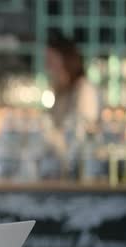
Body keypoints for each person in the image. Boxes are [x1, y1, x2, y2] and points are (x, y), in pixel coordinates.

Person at [45, 31, 102, 176]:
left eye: (51, 60)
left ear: (65, 60)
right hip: (61, 166)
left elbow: (82, 132)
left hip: (82, 167)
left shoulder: (85, 90)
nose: (47, 66)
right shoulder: (60, 92)